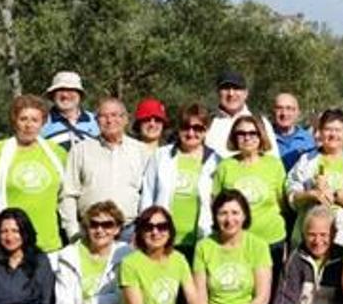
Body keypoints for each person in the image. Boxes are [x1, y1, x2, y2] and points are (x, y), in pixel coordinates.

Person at [0, 94, 68, 254]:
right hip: (11, 242)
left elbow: (67, 194)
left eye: (34, 120)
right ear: (15, 121)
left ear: (42, 123)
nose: (29, 125)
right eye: (23, 119)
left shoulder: (57, 153)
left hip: (48, 242)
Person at [58, 97, 149, 241]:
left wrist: (142, 232)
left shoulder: (141, 151)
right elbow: (68, 194)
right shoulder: (80, 150)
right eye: (104, 116)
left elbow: (148, 194)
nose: (110, 120)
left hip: (129, 233)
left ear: (125, 119)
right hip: (91, 230)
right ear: (96, 121)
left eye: (115, 115)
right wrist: (72, 232)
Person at [140, 103, 220, 263]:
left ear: (206, 131)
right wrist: (143, 230)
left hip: (200, 239)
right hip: (162, 238)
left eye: (198, 128)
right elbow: (147, 196)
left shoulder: (216, 161)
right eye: (186, 127)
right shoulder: (161, 156)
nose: (191, 133)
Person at [212, 115, 289, 280]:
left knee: (269, 295)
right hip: (236, 242)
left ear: (261, 135)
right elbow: (216, 204)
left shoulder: (274, 164)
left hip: (271, 240)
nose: (247, 137)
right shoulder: (225, 166)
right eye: (241, 133)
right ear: (234, 137)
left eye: (252, 133)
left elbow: (282, 203)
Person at [286, 108, 343, 246]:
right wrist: (311, 194)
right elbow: (291, 192)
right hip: (308, 237)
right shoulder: (306, 160)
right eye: (328, 129)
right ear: (320, 132)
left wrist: (337, 196)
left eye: (338, 130)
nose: (333, 134)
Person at [205, 71, 277, 159]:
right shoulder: (206, 122)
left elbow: (273, 158)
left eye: (236, 88)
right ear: (217, 92)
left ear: (246, 93)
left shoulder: (260, 122)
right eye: (226, 88)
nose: (231, 93)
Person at [41, 71, 99, 150]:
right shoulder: (41, 121)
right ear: (52, 95)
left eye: (70, 90)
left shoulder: (96, 120)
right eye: (60, 90)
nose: (65, 95)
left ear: (80, 95)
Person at [271, 93, 315, 172]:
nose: (284, 113)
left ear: (298, 112)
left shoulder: (309, 140)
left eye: (289, 108)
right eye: (279, 108)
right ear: (273, 111)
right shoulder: (265, 138)